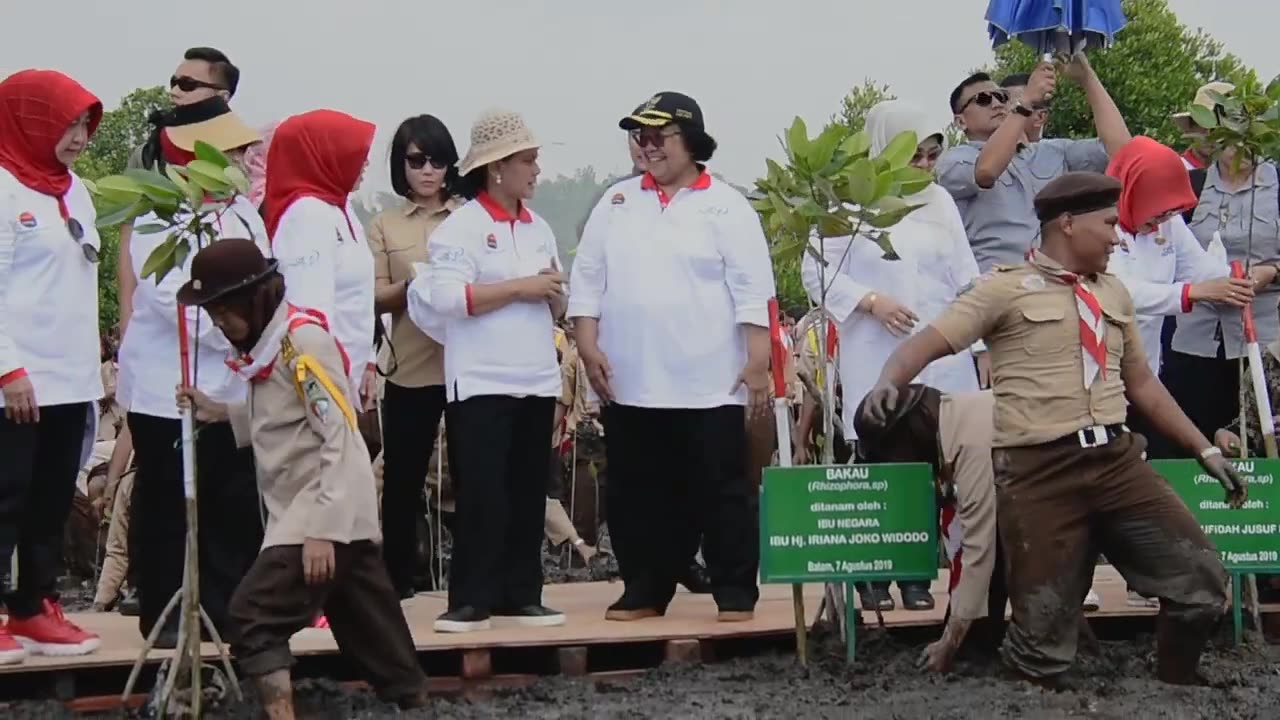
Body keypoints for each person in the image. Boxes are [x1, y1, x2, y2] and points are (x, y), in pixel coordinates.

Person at [859, 171, 1244, 686]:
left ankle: (1178, 683)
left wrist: (1204, 450)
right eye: (1108, 224)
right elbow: (923, 345)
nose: (1117, 236)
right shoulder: (1002, 289)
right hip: (1039, 474)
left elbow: (1143, 385)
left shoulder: (1114, 293)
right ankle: (1035, 668)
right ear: (1067, 223)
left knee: (1201, 582)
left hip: (1116, 461)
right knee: (1042, 651)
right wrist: (889, 381)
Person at [175, 239, 429, 718]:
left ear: (255, 299)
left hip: (317, 511)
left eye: (224, 312)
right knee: (374, 633)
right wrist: (224, 414)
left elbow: (339, 431)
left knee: (252, 615)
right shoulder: (274, 344)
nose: (219, 325)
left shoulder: (302, 342)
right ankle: (414, 702)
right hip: (329, 514)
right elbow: (286, 415)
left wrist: (322, 530)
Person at [569, 92, 775, 623]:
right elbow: (588, 280)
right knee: (637, 491)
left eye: (660, 136)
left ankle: (734, 589)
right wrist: (587, 344)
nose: (647, 147)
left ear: (692, 142)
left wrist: (758, 362)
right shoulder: (615, 203)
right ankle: (645, 588)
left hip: (710, 381)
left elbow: (754, 288)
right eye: (640, 136)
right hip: (631, 379)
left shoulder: (726, 204)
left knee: (721, 487)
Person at [801, 100, 984, 611]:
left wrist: (982, 344)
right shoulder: (848, 206)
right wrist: (870, 301)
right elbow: (812, 269)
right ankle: (875, 577)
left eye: (931, 157)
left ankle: (917, 576)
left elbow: (966, 278)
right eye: (915, 155)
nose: (924, 167)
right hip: (875, 353)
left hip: (943, 355)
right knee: (885, 464)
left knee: (936, 467)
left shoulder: (941, 204)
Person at [116, 98, 267, 647]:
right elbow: (167, 297)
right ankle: (166, 612)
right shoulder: (161, 214)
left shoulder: (244, 212)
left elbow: (262, 280)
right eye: (230, 150)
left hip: (230, 384)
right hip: (168, 388)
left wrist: (253, 336)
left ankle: (228, 608)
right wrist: (235, 328)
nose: (243, 157)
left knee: (231, 500)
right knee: (166, 502)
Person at [411, 108, 567, 633]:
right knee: (481, 489)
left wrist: (552, 294)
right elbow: (448, 297)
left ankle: (522, 592)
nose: (536, 171)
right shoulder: (462, 228)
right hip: (480, 380)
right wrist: (521, 288)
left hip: (536, 375)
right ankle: (470, 597)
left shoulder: (540, 228)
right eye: (528, 161)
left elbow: (553, 296)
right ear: (498, 168)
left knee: (527, 489)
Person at [0, 69, 105, 664]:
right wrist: (8, 369)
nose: (78, 136)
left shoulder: (75, 191)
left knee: (48, 498)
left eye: (83, 125)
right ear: (30, 121)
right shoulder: (4, 188)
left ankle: (34, 606)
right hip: (19, 379)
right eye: (65, 123)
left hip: (70, 377)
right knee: (4, 497)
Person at [1105, 136, 1253, 459]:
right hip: (1102, 377)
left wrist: (1232, 281)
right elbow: (1120, 292)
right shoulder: (1103, 225)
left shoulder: (1167, 223)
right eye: (1156, 211)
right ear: (1134, 191)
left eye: (1168, 212)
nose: (1161, 221)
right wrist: (1190, 293)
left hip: (1145, 374)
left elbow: (1198, 267)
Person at [365, 114, 460, 599]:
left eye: (437, 160)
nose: (428, 171)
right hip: (410, 366)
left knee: (472, 477)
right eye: (416, 160)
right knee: (402, 479)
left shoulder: (469, 218)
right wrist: (415, 286)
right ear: (400, 166)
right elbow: (373, 295)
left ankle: (473, 580)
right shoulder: (383, 224)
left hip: (468, 369)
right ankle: (397, 580)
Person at [854, 386, 1006, 672]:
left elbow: (979, 553)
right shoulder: (954, 415)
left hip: (1083, 474)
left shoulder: (971, 444)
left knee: (997, 548)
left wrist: (950, 642)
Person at [937, 54, 1130, 271]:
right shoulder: (954, 160)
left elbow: (1122, 151)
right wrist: (1026, 102)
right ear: (960, 121)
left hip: (1055, 281)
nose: (995, 104)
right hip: (997, 286)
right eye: (983, 99)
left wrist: (1087, 78)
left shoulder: (1052, 151)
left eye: (1001, 97)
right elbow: (986, 171)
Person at [1163, 120, 1280, 446]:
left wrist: (1271, 271)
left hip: (1267, 341)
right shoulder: (1190, 186)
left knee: (1259, 441)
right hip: (1195, 339)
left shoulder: (1277, 183)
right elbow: (1160, 250)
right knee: (1197, 439)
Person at [118, 47, 241, 336]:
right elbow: (128, 236)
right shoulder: (148, 155)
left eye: (187, 85)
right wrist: (127, 319)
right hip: (159, 306)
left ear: (222, 96)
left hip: (222, 314)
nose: (174, 91)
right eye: (173, 82)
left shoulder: (237, 153)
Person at [261, 109, 378, 407]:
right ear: (326, 156)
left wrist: (368, 361)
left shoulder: (342, 207)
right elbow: (310, 316)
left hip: (346, 376)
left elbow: (358, 296)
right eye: (354, 153)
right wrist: (328, 392)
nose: (365, 163)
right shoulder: (307, 215)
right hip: (323, 387)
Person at [1171, 83, 1235, 170]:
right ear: (1191, 127)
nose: (1209, 133)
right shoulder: (1176, 171)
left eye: (1218, 126)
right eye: (1202, 123)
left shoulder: (1248, 176)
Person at [997, 74, 1050, 143]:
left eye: (1014, 109)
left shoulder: (1062, 150)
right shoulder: (982, 151)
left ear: (1040, 117)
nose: (999, 110)